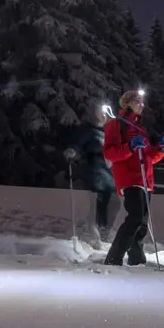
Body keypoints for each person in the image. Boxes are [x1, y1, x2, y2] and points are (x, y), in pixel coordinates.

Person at [101, 89, 164, 266]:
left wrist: (161, 150)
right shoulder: (116, 124)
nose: (142, 105)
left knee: (143, 220)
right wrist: (130, 147)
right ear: (127, 103)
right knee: (136, 217)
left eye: (142, 102)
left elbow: (147, 157)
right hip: (129, 177)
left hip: (145, 179)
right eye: (138, 101)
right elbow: (110, 152)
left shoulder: (140, 127)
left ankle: (136, 256)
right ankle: (114, 256)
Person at [63, 104, 117, 243]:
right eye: (100, 113)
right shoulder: (90, 132)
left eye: (105, 113)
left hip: (109, 170)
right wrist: (73, 151)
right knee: (100, 197)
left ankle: (104, 227)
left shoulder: (109, 132)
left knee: (112, 200)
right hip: (95, 168)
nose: (103, 115)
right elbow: (79, 144)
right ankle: (96, 229)